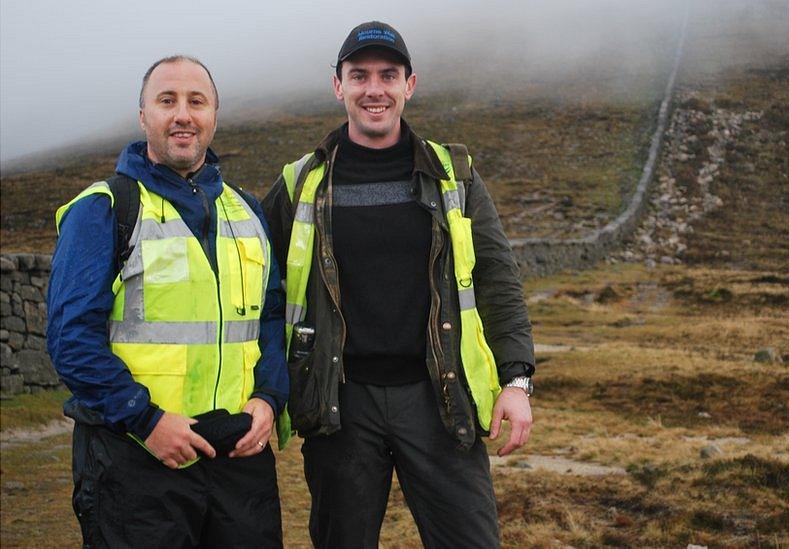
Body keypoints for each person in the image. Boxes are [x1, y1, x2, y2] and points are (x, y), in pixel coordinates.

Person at [262, 21, 535, 548]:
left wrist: (517, 380)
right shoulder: (301, 182)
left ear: (410, 84)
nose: (374, 89)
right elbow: (259, 286)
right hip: (339, 406)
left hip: (440, 399)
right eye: (359, 75)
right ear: (337, 85)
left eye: (389, 75)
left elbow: (497, 277)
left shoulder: (454, 174)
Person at [46, 55, 288, 548]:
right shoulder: (105, 209)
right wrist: (146, 420)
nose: (183, 114)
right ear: (143, 117)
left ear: (214, 115)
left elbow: (272, 318)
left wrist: (269, 398)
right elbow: (71, 339)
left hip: (238, 462)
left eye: (196, 102)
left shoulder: (248, 210)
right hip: (135, 460)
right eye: (167, 101)